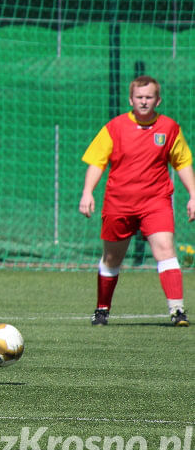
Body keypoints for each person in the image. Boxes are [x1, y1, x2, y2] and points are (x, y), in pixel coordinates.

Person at [79, 75, 195, 327]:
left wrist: (193, 194)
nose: (144, 102)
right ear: (130, 99)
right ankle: (102, 309)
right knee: (112, 258)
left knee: (165, 247)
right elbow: (97, 162)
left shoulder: (169, 128)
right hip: (119, 202)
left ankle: (177, 310)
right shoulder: (115, 127)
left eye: (149, 97)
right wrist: (88, 191)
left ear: (158, 100)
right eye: (139, 97)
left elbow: (183, 162)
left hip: (156, 201)